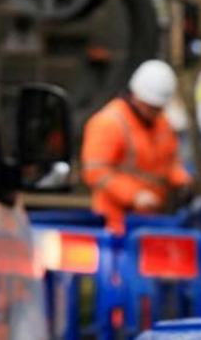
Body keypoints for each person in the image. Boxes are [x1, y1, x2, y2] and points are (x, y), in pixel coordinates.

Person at [81, 60, 192, 235]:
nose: (155, 112)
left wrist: (182, 182)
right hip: (116, 222)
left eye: (159, 108)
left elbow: (170, 160)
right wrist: (135, 195)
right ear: (136, 96)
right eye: (151, 107)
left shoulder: (161, 123)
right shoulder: (109, 123)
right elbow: (96, 172)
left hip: (152, 221)